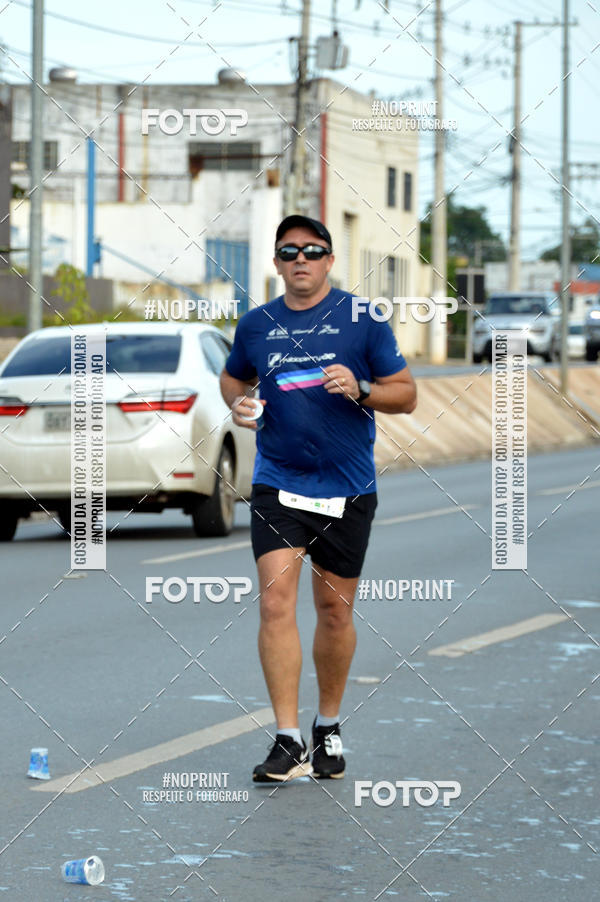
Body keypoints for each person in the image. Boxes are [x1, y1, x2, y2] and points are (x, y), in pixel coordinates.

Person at [219, 215, 417, 783]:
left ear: (330, 260)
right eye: (289, 251)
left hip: (346, 487)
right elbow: (233, 378)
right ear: (277, 263)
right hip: (278, 482)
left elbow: (406, 394)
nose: (300, 259)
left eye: (312, 250)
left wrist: (363, 388)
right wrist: (239, 404)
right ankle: (286, 739)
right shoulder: (256, 325)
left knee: (334, 611)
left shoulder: (363, 319)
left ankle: (327, 725)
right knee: (275, 603)